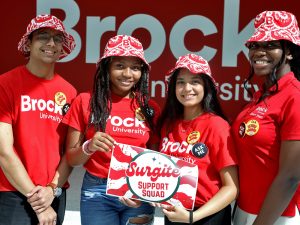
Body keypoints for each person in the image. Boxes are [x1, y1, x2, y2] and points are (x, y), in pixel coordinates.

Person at [63, 34, 160, 225]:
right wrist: (89, 146)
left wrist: (142, 191)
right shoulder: (85, 101)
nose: (127, 74)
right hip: (98, 191)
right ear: (106, 67)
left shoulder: (151, 108)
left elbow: (156, 160)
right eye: (120, 66)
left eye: (135, 67)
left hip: (138, 191)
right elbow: (72, 159)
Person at [0, 14, 77, 225]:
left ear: (63, 48)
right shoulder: (5, 84)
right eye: (43, 36)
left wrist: (52, 189)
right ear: (29, 43)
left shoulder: (69, 92)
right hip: (13, 193)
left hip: (53, 193)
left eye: (57, 38)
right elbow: (3, 151)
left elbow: (69, 154)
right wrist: (38, 202)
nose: (51, 43)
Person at [231, 10, 300, 225]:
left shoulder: (295, 97)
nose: (259, 52)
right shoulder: (260, 97)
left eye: (270, 45)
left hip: (275, 217)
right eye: (255, 46)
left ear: (288, 52)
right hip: (243, 212)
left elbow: (291, 177)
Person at [156, 53, 239, 225]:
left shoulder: (217, 125)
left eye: (195, 81)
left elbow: (231, 188)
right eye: (180, 82)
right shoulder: (168, 124)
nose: (187, 88)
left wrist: (192, 217)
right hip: (174, 214)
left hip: (207, 216)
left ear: (206, 87)